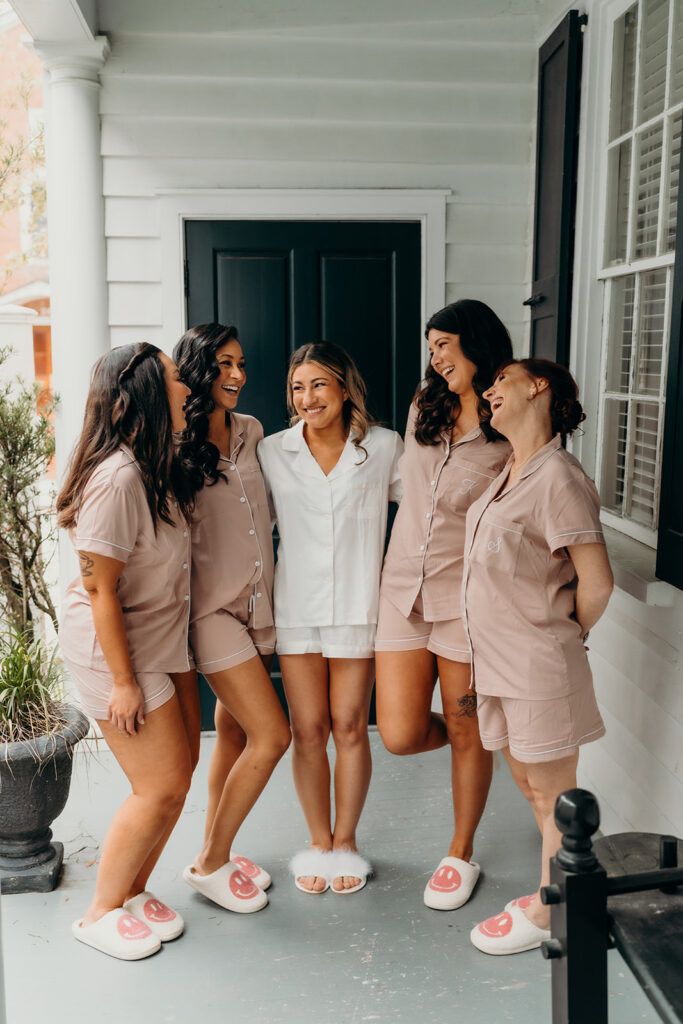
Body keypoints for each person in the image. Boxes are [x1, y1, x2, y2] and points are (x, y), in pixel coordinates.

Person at [464, 358, 613, 955]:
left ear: (538, 386)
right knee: (530, 787)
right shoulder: (510, 469)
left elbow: (595, 584)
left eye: (501, 379)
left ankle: (556, 916)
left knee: (554, 796)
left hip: (536, 663)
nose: (490, 390)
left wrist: (558, 634)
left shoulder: (560, 478)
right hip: (497, 663)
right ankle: (555, 895)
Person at [57, 342, 199, 961]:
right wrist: (122, 683)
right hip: (115, 650)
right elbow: (97, 590)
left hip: (157, 639)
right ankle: (98, 913)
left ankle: (135, 892)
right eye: (175, 379)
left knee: (179, 774)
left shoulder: (152, 465)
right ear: (145, 390)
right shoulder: (116, 479)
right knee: (159, 786)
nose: (187, 388)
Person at [375, 299, 512, 911]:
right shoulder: (422, 406)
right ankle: (476, 749)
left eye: (443, 345)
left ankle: (460, 850)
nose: (434, 358)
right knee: (401, 732)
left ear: (475, 345)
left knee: (464, 724)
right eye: (430, 347)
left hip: (465, 597)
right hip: (402, 589)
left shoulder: (510, 421)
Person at [258, 342, 402, 895]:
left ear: (344, 388)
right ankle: (318, 842)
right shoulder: (272, 451)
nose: (307, 397)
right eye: (298, 387)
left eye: (319, 384)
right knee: (308, 731)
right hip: (295, 608)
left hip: (358, 608)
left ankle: (346, 841)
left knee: (349, 727)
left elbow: (422, 511)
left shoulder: (385, 447)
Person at [174, 323, 291, 914]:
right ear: (199, 369)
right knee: (274, 736)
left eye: (241, 363)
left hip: (256, 605)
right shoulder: (175, 445)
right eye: (224, 365)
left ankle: (216, 846)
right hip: (210, 611)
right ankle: (211, 863)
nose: (238, 376)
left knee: (238, 731)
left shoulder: (252, 431)